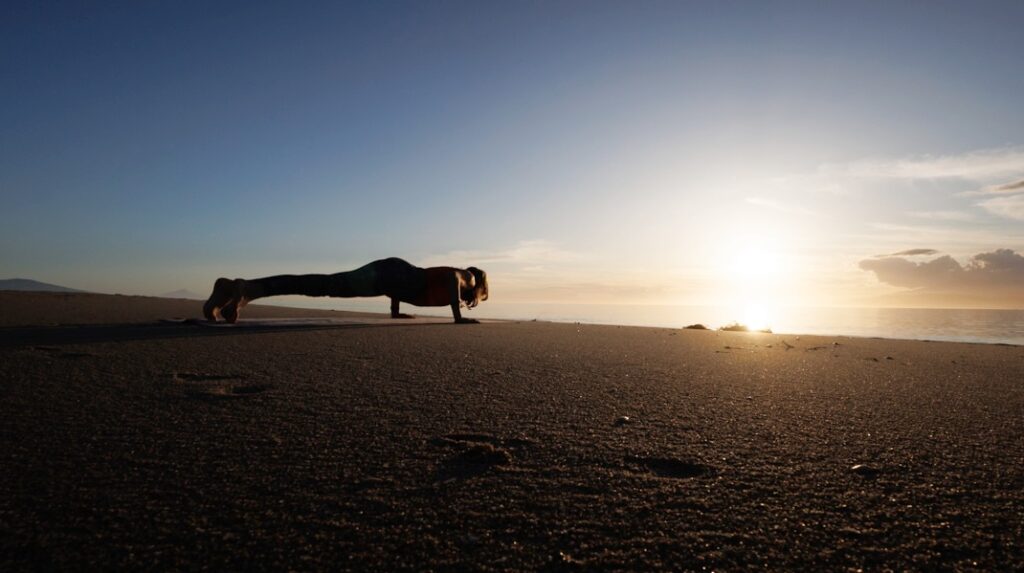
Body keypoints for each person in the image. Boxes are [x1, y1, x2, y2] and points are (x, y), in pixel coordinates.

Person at [202, 257, 488, 324]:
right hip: (388, 275)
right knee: (322, 285)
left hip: (390, 276)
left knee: (322, 285)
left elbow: (405, 287)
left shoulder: (445, 287)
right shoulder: (468, 277)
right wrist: (458, 318)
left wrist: (395, 312)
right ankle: (245, 290)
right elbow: (452, 277)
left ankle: (231, 288)